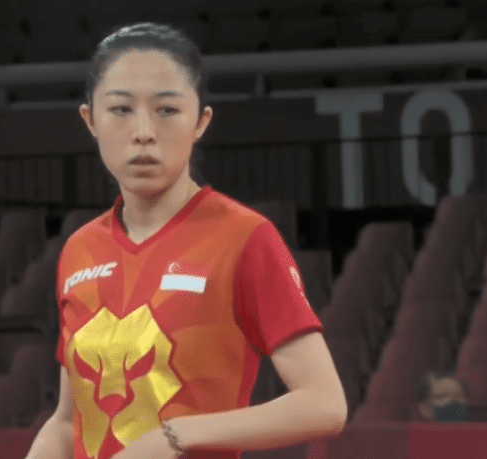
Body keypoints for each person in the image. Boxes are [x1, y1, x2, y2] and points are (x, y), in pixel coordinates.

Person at [25, 22, 347, 459]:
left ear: (200, 122)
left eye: (167, 110)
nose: (143, 131)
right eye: (120, 109)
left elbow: (325, 404)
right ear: (91, 120)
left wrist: (176, 435)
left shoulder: (243, 237)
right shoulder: (79, 250)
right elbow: (68, 422)